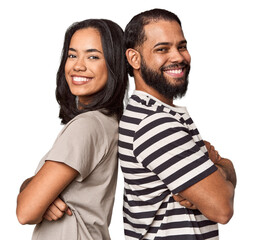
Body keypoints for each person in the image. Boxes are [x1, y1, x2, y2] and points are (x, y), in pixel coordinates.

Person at [118, 8, 236, 239]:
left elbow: (218, 195)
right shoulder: (155, 125)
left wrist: (220, 167)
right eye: (162, 49)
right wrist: (221, 171)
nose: (178, 57)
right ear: (134, 58)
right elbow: (222, 208)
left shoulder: (156, 115)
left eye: (181, 46)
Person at [16, 18, 128, 240]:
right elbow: (35, 201)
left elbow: (25, 212)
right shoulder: (108, 123)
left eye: (93, 56)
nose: (78, 65)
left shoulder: (87, 126)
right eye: (72, 55)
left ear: (114, 65)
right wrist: (37, 193)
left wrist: (34, 196)